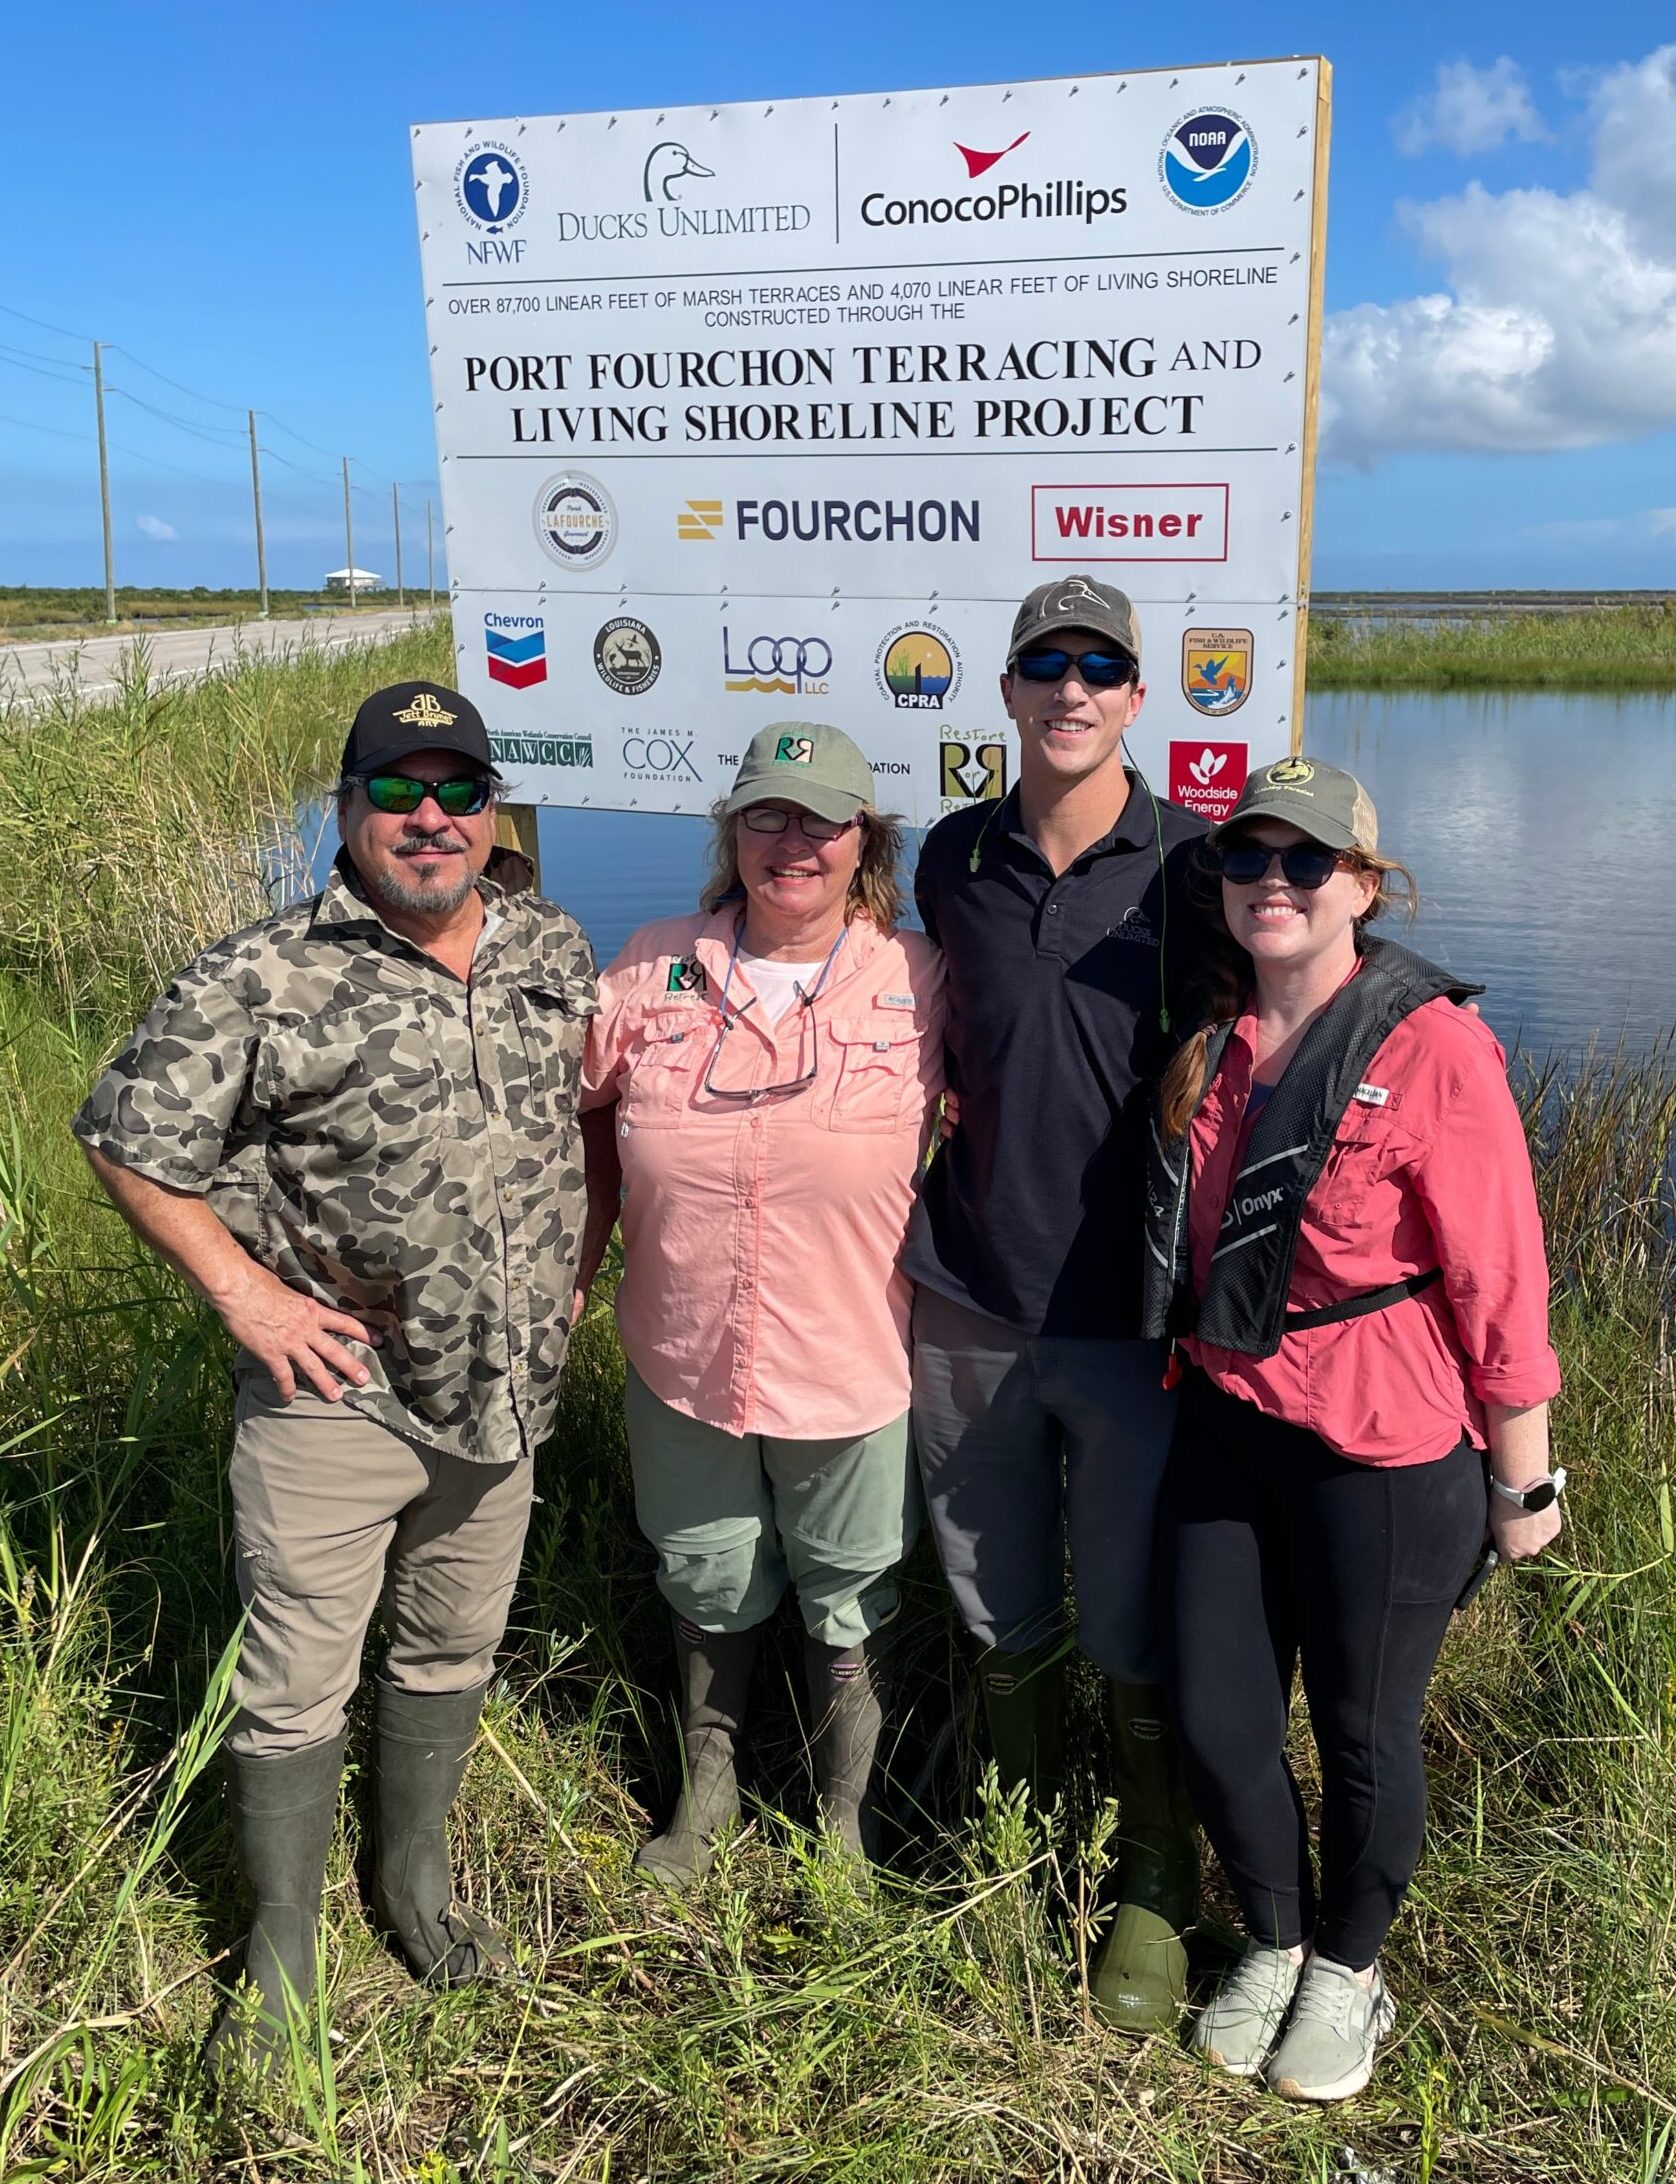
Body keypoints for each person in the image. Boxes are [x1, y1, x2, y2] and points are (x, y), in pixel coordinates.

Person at [73, 682, 597, 2074]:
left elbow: (574, 1117)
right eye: (395, 792)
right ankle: (283, 1948)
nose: (429, 820)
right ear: (347, 807)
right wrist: (244, 1295)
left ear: (493, 811)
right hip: (338, 1400)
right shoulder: (261, 973)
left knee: (450, 1648)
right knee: (297, 1682)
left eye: (458, 793)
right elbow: (127, 1136)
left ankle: (410, 1887)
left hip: (505, 1399)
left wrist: (574, 1257)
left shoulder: (550, 939)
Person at [1144, 757, 1563, 2102]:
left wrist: (1526, 1475)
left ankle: (1350, 1969)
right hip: (1227, 1424)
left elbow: (1501, 1272)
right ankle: (1273, 1939)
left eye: (1306, 863)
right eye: (1247, 859)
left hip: (1386, 1449)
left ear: (1364, 888)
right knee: (1217, 1718)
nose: (1273, 882)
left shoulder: (1429, 1045)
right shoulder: (1210, 1039)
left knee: (1365, 1732)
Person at [907, 574, 1208, 2034]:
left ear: (1137, 697)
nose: (1071, 690)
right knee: (994, 1601)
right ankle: (1014, 1849)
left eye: (1100, 668)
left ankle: (1153, 1870)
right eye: (1045, 665)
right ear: (1011, 693)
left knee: (1129, 1619)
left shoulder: (1201, 870)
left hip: (1133, 1323)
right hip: (966, 1296)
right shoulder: (952, 858)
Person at [576, 723, 943, 1882]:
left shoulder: (921, 978)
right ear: (730, 832)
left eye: (821, 820)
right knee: (705, 1572)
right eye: (766, 816)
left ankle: (842, 1821)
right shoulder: (649, 962)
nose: (793, 843)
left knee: (849, 1591)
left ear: (863, 841)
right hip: (683, 1353)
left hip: (850, 1360)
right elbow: (565, 1109)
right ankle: (709, 1795)